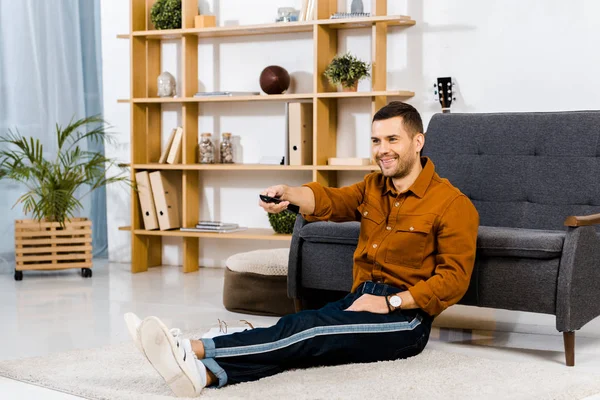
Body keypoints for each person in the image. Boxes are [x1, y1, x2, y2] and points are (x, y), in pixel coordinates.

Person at [124, 101, 480, 397]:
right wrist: (290, 194)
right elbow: (331, 200)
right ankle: (205, 376)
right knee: (298, 330)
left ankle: (192, 349)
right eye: (375, 140)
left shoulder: (452, 204)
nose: (382, 149)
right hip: (361, 297)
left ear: (418, 141)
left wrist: (390, 302)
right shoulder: (374, 186)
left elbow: (453, 280)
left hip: (405, 319)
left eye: (392, 139)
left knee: (311, 330)